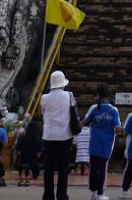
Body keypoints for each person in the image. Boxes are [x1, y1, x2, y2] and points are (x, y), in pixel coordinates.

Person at [41, 69, 76, 200]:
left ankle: (48, 195)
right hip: (64, 135)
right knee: (63, 168)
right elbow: (73, 113)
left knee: (48, 167)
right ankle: (62, 195)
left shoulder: (43, 98)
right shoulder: (70, 95)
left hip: (48, 135)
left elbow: (44, 114)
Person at [83, 83, 121, 200]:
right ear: (109, 96)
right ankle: (100, 193)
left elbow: (84, 122)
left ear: (98, 95)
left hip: (94, 143)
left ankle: (93, 193)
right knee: (102, 169)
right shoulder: (113, 110)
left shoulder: (94, 108)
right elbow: (118, 128)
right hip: (106, 145)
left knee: (93, 169)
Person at [15, 121, 41, 186]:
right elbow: (38, 155)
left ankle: (23, 171)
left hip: (22, 163)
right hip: (34, 165)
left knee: (23, 159)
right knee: (33, 160)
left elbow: (18, 152)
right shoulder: (38, 140)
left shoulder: (22, 138)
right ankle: (30, 171)